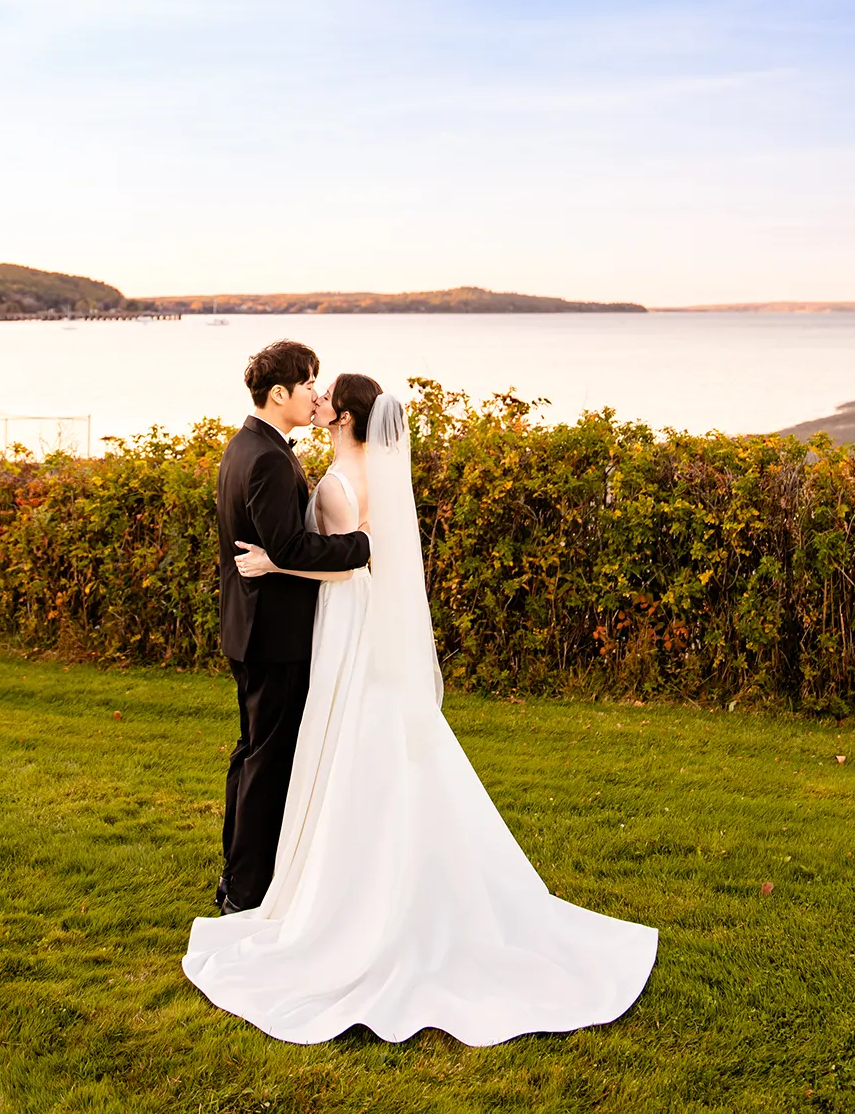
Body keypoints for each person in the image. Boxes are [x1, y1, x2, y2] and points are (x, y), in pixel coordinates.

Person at [185, 375, 659, 1045]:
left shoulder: (336, 482)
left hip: (345, 621)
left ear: (343, 416)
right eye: (309, 392)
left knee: (339, 741)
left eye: (326, 399)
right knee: (363, 742)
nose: (317, 403)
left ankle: (329, 890)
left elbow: (345, 564)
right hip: (362, 624)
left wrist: (274, 566)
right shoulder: (366, 472)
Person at [214, 340, 371, 914]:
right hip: (274, 636)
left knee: (251, 754)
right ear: (278, 393)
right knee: (268, 762)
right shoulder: (268, 459)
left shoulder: (245, 446)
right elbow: (287, 546)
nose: (314, 394)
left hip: (249, 628)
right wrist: (363, 545)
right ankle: (248, 891)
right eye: (308, 384)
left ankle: (236, 877)